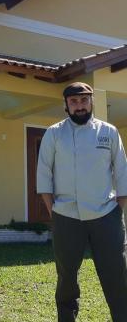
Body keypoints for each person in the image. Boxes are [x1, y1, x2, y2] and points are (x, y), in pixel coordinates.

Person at [36, 82, 127, 322]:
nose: (79, 106)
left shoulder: (108, 132)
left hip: (106, 216)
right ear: (66, 105)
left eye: (84, 100)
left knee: (116, 274)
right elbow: (44, 173)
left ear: (91, 101)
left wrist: (118, 208)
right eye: (74, 102)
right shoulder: (54, 133)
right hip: (66, 216)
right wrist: (54, 210)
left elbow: (122, 171)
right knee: (66, 276)